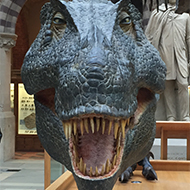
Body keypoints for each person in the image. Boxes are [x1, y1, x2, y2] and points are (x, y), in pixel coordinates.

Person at [145, 0, 190, 121]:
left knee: (183, 84)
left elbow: (188, 39)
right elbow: (150, 36)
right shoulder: (158, 15)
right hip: (165, 54)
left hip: (180, 56)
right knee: (168, 85)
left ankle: (185, 115)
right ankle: (171, 116)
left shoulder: (185, 18)